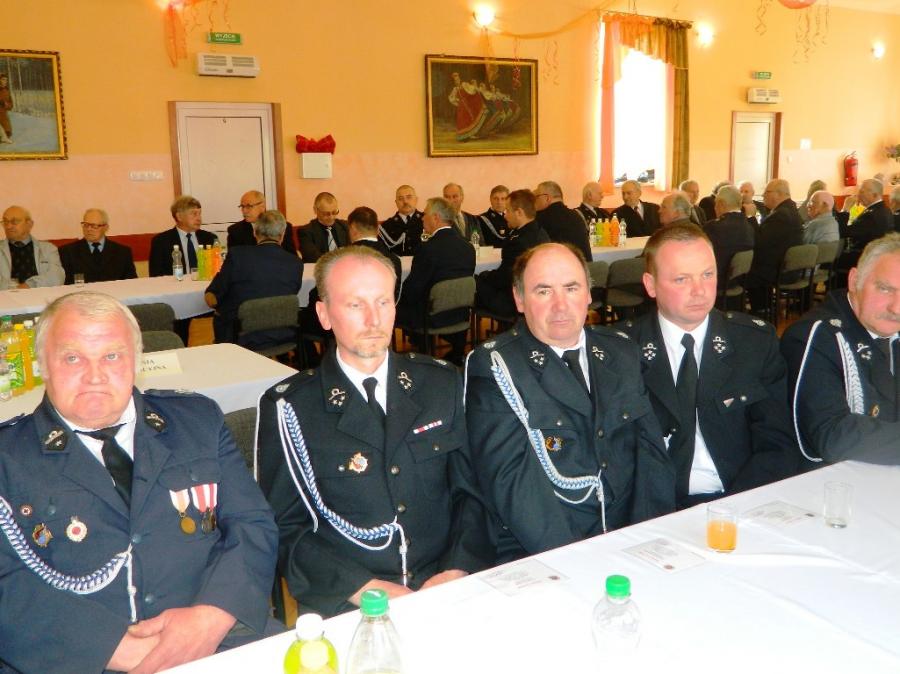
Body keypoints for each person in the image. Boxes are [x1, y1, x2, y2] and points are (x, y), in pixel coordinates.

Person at [0, 292, 279, 674]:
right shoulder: (8, 457)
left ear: (136, 360)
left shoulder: (197, 422)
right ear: (42, 365)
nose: (95, 375)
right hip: (77, 660)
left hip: (220, 640)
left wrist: (212, 617)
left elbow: (252, 524)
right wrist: (107, 648)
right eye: (72, 358)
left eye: (112, 356)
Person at [256, 246, 491, 617]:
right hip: (348, 597)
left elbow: (471, 493)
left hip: (445, 583)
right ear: (324, 315)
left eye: (383, 302)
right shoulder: (291, 407)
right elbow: (285, 527)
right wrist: (364, 589)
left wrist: (457, 568)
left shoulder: (440, 384)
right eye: (355, 304)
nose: (373, 319)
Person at [465, 243, 674, 562]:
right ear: (519, 299)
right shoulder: (496, 367)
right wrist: (578, 562)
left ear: (589, 293)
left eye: (571, 288)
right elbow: (513, 487)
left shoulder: (620, 351)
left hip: (629, 538)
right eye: (543, 291)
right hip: (548, 549)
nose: (560, 305)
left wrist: (648, 538)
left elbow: (651, 456)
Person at [618, 225, 797, 508]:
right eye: (681, 279)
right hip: (654, 508)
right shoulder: (621, 351)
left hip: (740, 499)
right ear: (651, 285)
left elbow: (777, 443)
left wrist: (735, 508)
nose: (699, 290)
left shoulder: (753, 343)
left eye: (707, 274)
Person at [782, 234, 900, 466]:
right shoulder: (814, 336)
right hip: (827, 478)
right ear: (854, 280)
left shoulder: (890, 329)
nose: (896, 307)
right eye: (885, 289)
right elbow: (833, 436)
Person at [205, 210, 304, 348]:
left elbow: (213, 297)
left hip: (241, 337)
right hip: (283, 334)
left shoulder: (237, 255)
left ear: (255, 233)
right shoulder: (295, 263)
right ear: (282, 234)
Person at [396, 197, 475, 364]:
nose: (422, 218)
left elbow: (414, 288)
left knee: (398, 306)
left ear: (436, 218)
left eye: (425, 214)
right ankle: (455, 353)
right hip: (460, 314)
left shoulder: (428, 249)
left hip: (431, 316)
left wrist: (396, 299)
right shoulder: (467, 247)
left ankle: (415, 356)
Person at [475, 189, 549, 319]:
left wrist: (483, 275)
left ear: (519, 212)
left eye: (508, 211)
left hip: (515, 301)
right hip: (539, 295)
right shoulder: (541, 232)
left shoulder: (519, 242)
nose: (505, 216)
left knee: (474, 283)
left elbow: (505, 278)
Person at [744, 179, 803, 314]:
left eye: (767, 192)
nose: (763, 195)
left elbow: (758, 241)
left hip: (777, 270)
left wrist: (751, 217)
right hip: (785, 266)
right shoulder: (790, 210)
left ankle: (760, 312)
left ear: (779, 194)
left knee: (745, 270)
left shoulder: (781, 215)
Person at [58, 208, 138, 285]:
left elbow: (131, 283)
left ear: (106, 227)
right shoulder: (67, 252)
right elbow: (64, 285)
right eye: (86, 225)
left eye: (94, 226)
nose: (89, 229)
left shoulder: (122, 252)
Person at [148, 195, 218, 277]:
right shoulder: (161, 242)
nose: (199, 218)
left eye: (199, 214)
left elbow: (218, 270)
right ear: (179, 217)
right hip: (175, 284)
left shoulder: (210, 238)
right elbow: (156, 275)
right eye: (194, 214)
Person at [703, 185, 755, 291]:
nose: (714, 208)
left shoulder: (713, 227)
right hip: (739, 282)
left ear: (721, 204)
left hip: (717, 281)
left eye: (716, 204)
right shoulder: (749, 226)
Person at [1, 205, 65, 289]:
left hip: (41, 294)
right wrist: (13, 288)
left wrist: (29, 285)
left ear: (29, 224)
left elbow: (57, 277)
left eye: (14, 221)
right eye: (5, 222)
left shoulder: (48, 249)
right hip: (6, 296)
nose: (8, 226)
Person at [534, 180, 593, 261]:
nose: (535, 201)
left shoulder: (541, 218)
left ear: (547, 198)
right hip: (585, 266)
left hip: (564, 267)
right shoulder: (576, 215)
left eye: (537, 197)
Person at [226, 190, 297, 256]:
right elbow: (233, 258)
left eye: (249, 206)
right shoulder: (235, 231)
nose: (244, 211)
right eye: (242, 206)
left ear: (262, 206)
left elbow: (291, 255)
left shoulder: (282, 226)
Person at [839, 179, 892, 265]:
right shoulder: (885, 210)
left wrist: (845, 209)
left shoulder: (872, 215)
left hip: (863, 258)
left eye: (862, 192)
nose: (858, 195)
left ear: (875, 195)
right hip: (874, 256)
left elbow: (844, 232)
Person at [297, 192, 349, 263]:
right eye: (326, 214)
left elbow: (353, 250)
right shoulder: (306, 232)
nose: (331, 217)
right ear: (315, 210)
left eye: (334, 212)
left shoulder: (345, 226)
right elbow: (313, 257)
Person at [379, 185, 423, 256]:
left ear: (416, 199)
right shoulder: (386, 226)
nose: (405, 201)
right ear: (396, 202)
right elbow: (382, 253)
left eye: (409, 197)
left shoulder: (427, 220)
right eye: (400, 199)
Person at [0, 73, 12, 143]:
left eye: (6, 80)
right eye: (3, 79)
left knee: (7, 133)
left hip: (4, 117)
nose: (5, 81)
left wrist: (5, 104)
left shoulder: (7, 91)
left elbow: (11, 105)